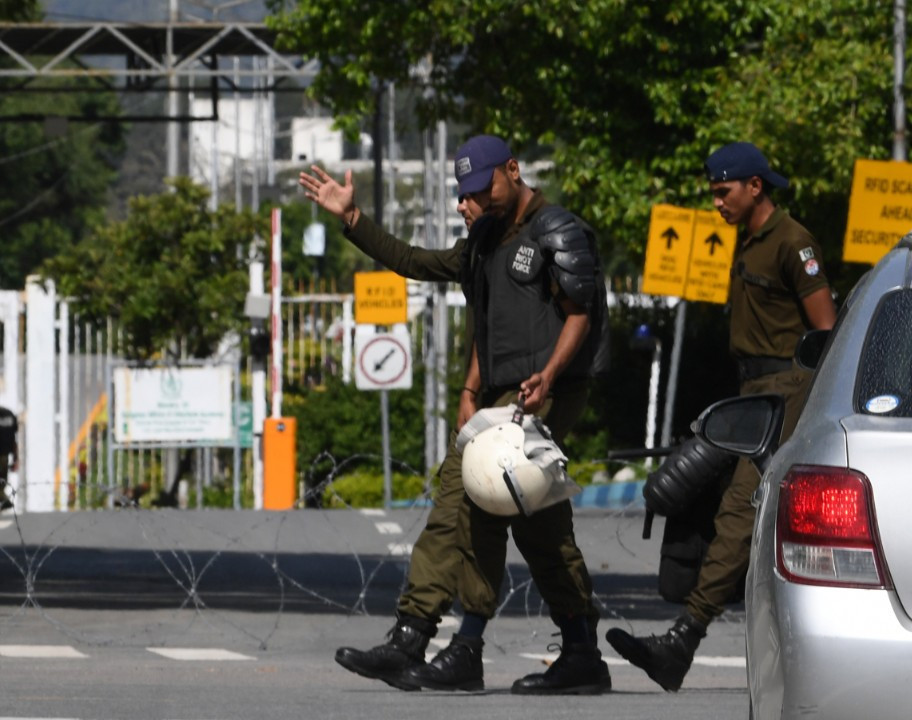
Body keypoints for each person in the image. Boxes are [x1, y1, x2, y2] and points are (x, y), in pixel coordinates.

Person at [298, 134, 611, 695]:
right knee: (521, 521)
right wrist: (353, 219)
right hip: (497, 397)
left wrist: (548, 376)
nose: (469, 203)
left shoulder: (556, 231)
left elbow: (579, 314)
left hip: (547, 392)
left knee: (479, 502)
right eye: (462, 194)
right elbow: (424, 269)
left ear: (512, 170)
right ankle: (566, 649)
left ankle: (451, 642)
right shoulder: (484, 241)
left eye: (479, 190)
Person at [606, 141, 836, 691]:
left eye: (723, 191)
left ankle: (682, 640)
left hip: (785, 392)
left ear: (755, 187)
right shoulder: (749, 241)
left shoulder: (793, 242)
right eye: (712, 193)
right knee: (736, 513)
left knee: (738, 512)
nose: (716, 203)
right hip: (754, 391)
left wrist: (806, 404)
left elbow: (825, 331)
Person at [0, 404, 16, 511]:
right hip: (4, 455)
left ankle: (5, 501)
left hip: (3, 455)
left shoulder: (8, 414)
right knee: (2, 481)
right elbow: (14, 439)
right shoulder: (9, 414)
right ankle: (5, 501)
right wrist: (16, 458)